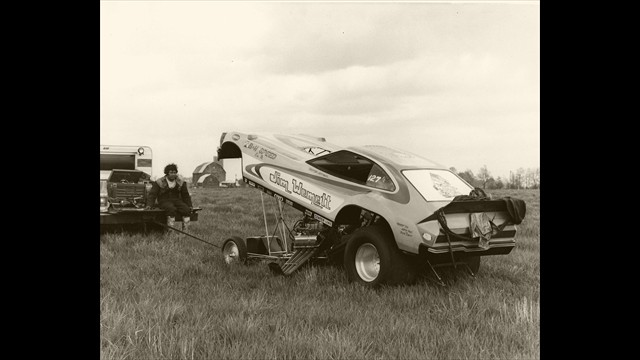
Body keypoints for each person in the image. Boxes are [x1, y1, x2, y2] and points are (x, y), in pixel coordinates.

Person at [146, 163, 193, 230]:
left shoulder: (180, 182)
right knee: (171, 209)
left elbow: (185, 195)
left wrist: (189, 205)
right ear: (167, 173)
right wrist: (149, 205)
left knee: (186, 210)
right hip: (164, 200)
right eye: (171, 172)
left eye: (174, 172)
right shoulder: (159, 182)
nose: (173, 174)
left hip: (176, 200)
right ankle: (170, 231)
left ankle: (186, 231)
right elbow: (152, 194)